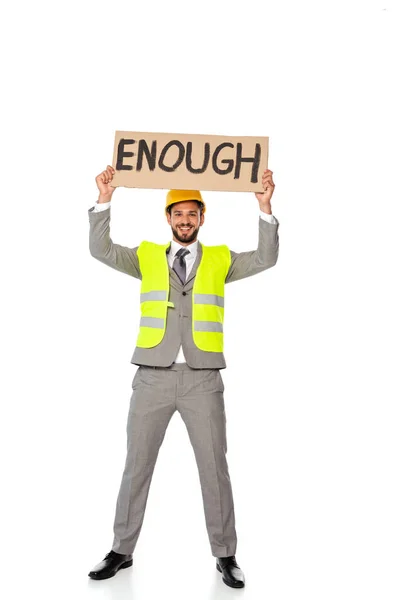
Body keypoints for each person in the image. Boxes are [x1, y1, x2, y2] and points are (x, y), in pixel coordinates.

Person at [87, 165, 279, 588]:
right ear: (168, 218)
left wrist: (265, 208)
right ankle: (122, 549)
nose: (185, 220)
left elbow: (267, 258)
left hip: (203, 379)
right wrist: (105, 198)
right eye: (179, 214)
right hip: (152, 376)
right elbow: (100, 251)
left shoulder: (221, 259)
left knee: (214, 467)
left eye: (193, 214)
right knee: (136, 466)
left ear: (202, 217)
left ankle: (226, 555)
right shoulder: (145, 256)